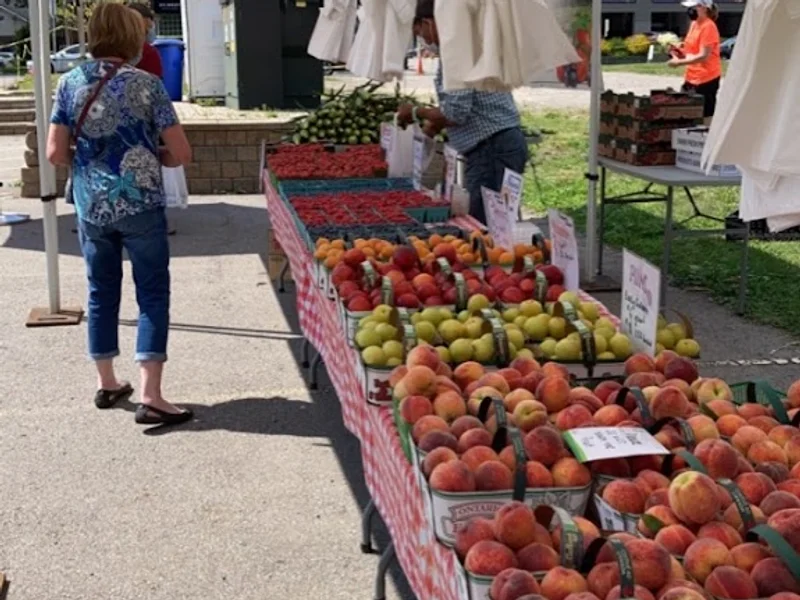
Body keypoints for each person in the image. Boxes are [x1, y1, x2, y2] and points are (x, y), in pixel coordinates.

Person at [47, 3, 193, 426]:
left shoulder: (69, 83)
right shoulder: (147, 85)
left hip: (92, 205)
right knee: (151, 292)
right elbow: (180, 153)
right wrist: (148, 156)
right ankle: (151, 394)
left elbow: (56, 153)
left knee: (101, 290)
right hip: (141, 204)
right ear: (132, 37)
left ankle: (108, 382)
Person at [396, 0, 528, 225]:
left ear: (429, 23)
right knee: (492, 222)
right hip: (496, 145)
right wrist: (430, 129)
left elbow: (456, 113)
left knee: (484, 224)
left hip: (493, 149)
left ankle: (492, 259)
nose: (425, 41)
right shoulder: (466, 44)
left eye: (421, 34)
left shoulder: (457, 50)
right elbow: (458, 107)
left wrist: (416, 112)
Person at [668, 0, 722, 122]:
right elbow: (690, 49)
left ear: (703, 8)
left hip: (706, 79)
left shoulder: (709, 26)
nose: (690, 10)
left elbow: (703, 56)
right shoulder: (694, 24)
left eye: (694, 7)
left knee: (704, 116)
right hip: (691, 77)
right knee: (686, 113)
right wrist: (678, 51)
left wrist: (679, 63)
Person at [127, 2, 162, 78]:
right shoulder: (148, 52)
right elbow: (155, 86)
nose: (149, 31)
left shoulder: (112, 49)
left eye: (150, 27)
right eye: (146, 28)